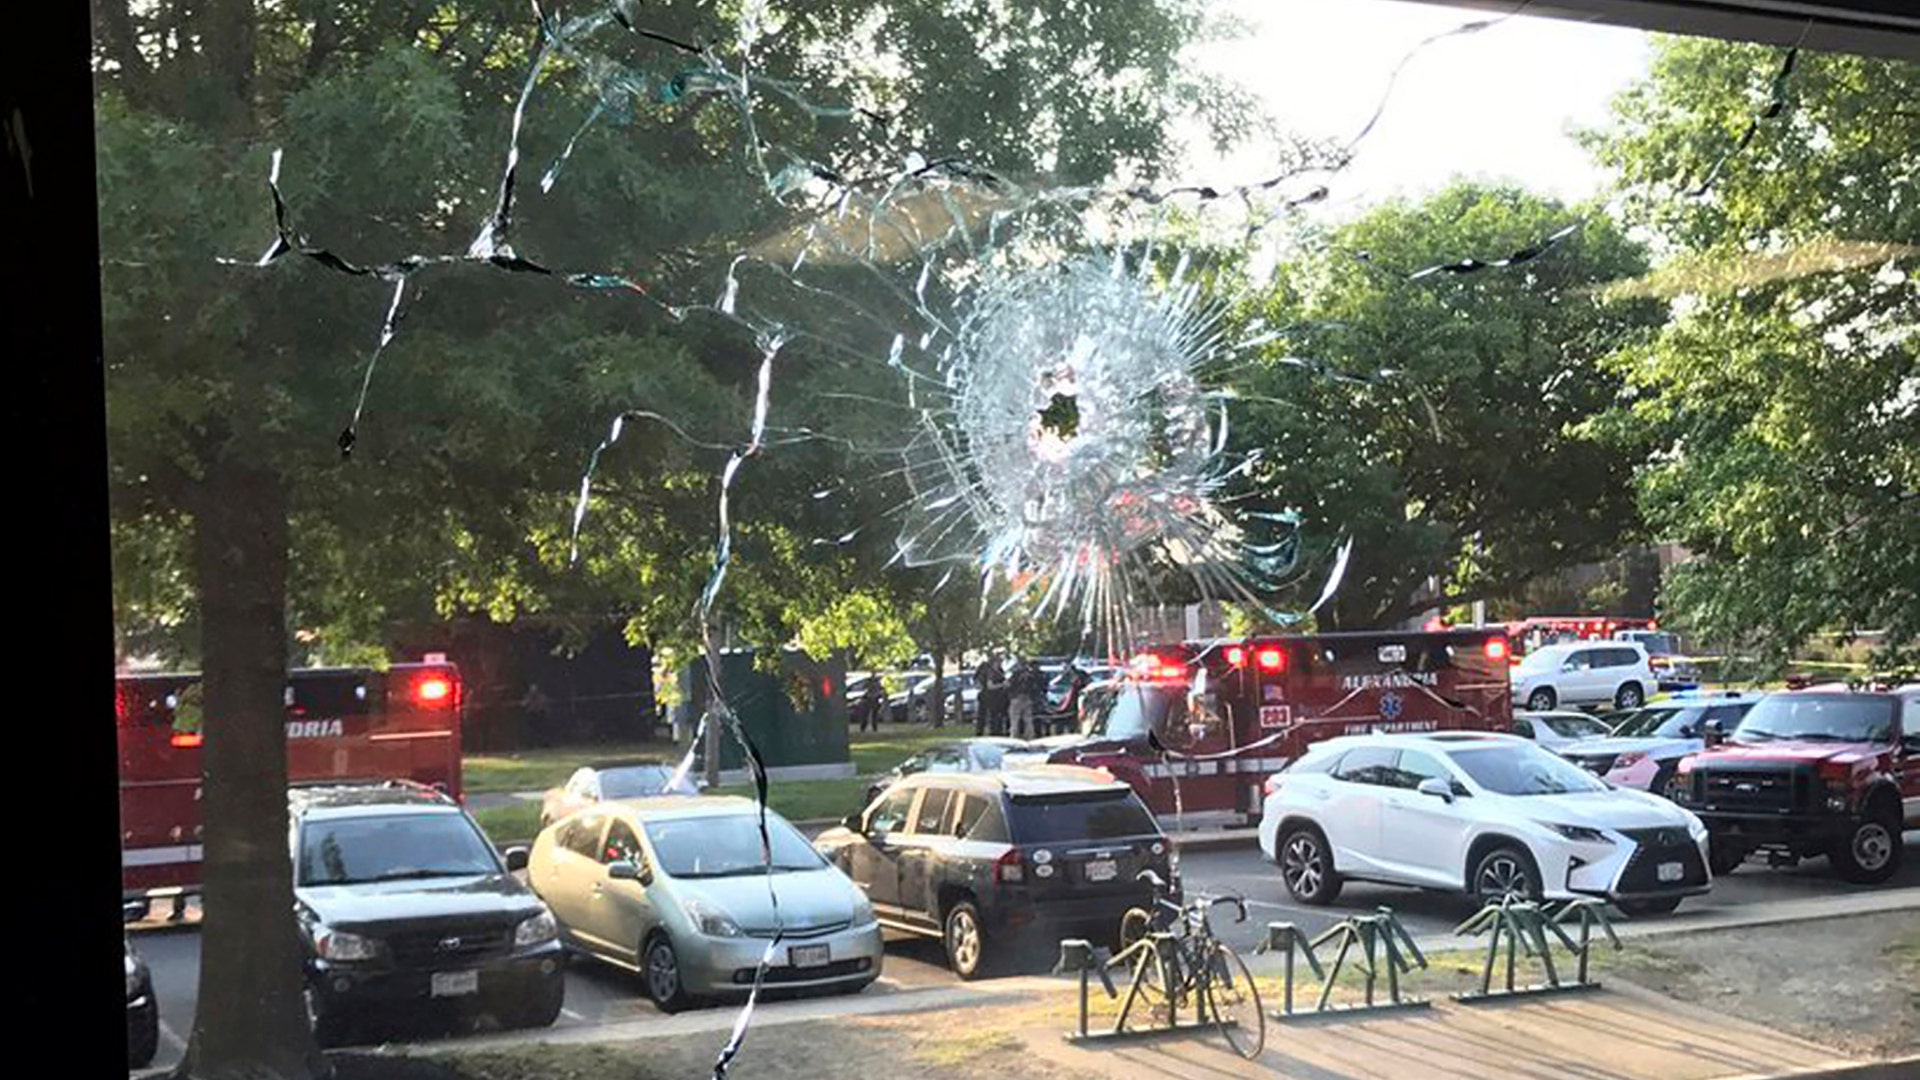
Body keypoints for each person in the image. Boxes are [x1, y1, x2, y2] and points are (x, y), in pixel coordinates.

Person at [975, 654, 1006, 736]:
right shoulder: (991, 672)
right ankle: (991, 731)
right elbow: (990, 686)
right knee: (989, 715)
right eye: (1000, 661)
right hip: (990, 697)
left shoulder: (999, 671)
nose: (1001, 663)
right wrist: (1002, 685)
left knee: (987, 715)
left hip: (992, 697)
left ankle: (990, 730)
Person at [1007, 659, 1037, 740]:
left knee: (1014, 719)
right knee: (1028, 719)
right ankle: (1030, 736)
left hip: (1016, 697)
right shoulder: (1030, 675)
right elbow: (1033, 687)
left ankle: (1014, 737)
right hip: (1027, 698)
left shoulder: (1016, 674)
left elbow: (1009, 685)